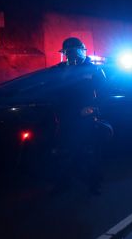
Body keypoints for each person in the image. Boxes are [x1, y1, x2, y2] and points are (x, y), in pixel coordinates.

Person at [52, 37, 110, 194]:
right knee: (65, 151)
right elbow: (56, 91)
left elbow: (105, 93)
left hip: (85, 118)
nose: (70, 56)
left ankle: (94, 185)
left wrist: (93, 107)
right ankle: (63, 183)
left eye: (72, 52)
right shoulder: (62, 69)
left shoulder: (94, 70)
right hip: (66, 117)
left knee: (90, 153)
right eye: (67, 53)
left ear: (80, 51)